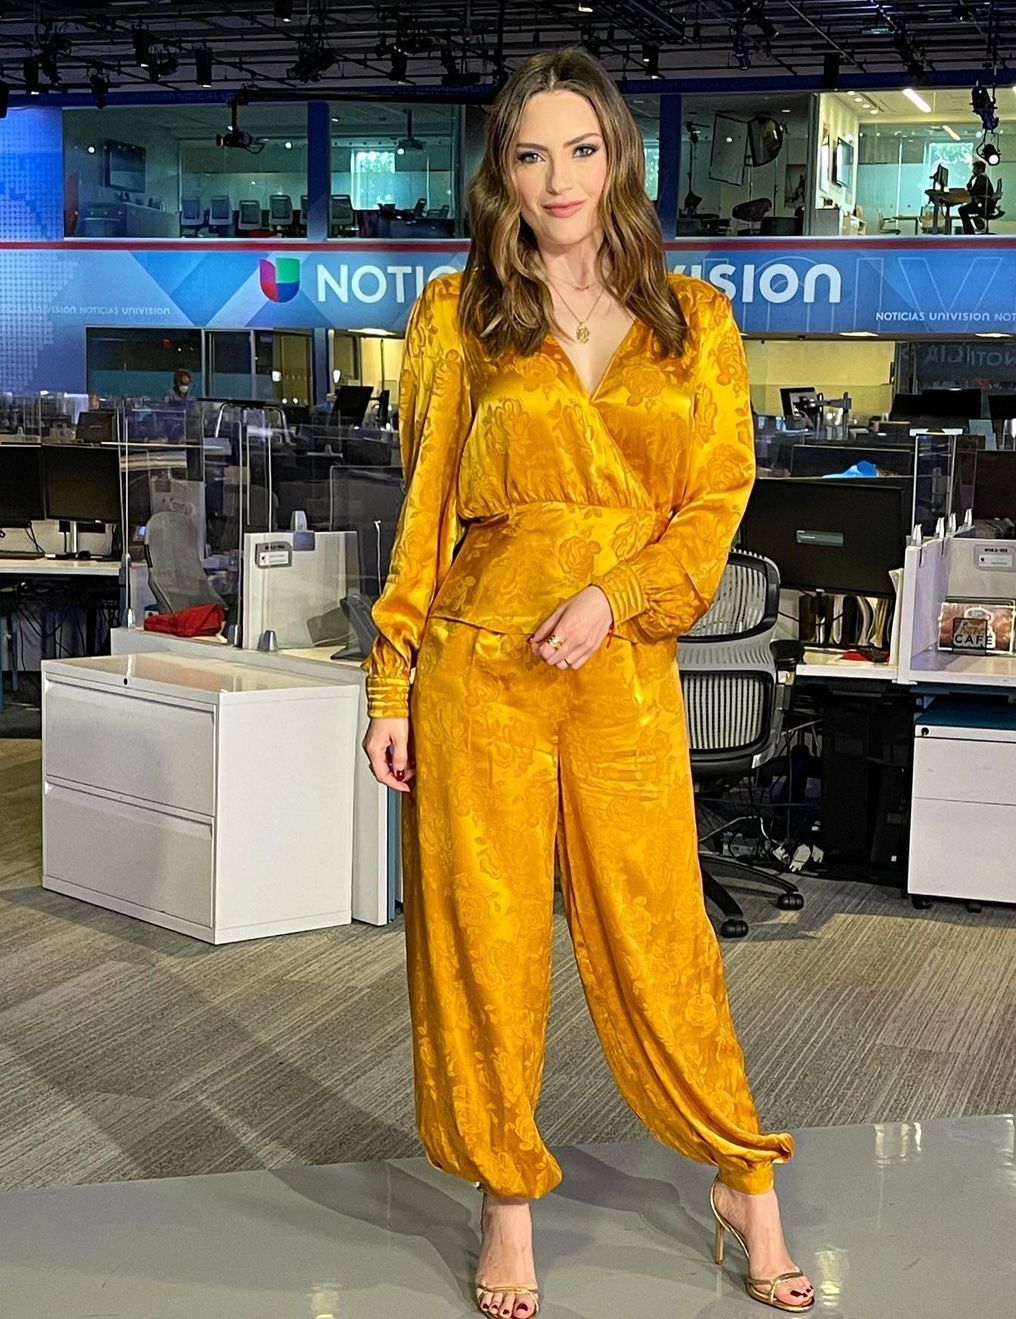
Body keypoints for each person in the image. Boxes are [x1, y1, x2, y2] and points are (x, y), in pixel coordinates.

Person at [360, 46, 814, 1319]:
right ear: (501, 174)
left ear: (618, 158)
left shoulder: (695, 320)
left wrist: (618, 595)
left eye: (581, 148)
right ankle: (506, 1200)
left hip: (621, 670)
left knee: (664, 932)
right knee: (485, 945)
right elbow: (425, 510)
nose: (558, 178)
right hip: (481, 666)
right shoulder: (457, 315)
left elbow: (716, 499)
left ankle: (744, 1174)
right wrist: (390, 683)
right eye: (530, 153)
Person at [959, 160, 994, 233]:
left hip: (983, 206)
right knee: (963, 209)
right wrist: (971, 179)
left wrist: (968, 189)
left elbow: (974, 191)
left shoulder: (981, 178)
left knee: (962, 210)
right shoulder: (984, 177)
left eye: (974, 168)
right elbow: (971, 189)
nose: (973, 170)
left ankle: (969, 232)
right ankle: (969, 231)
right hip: (985, 204)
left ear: (980, 169)